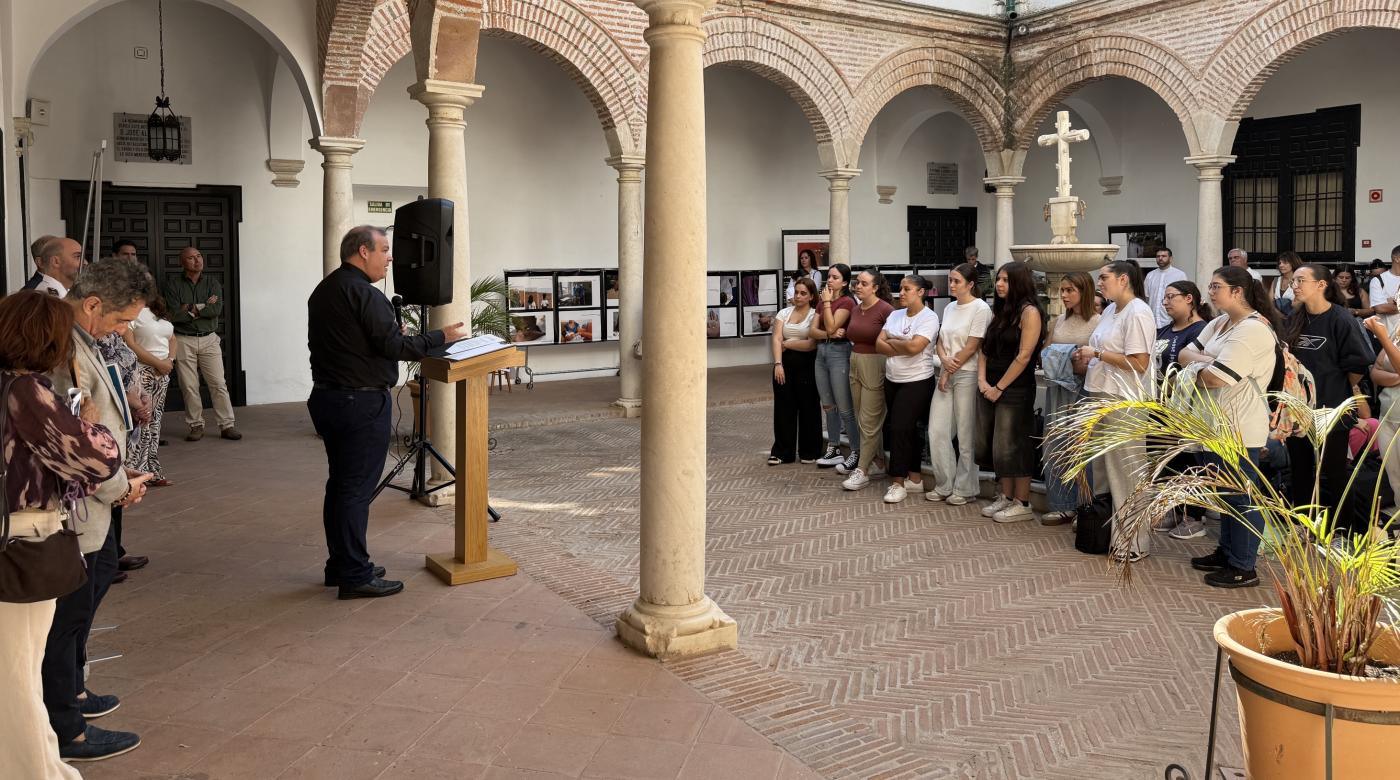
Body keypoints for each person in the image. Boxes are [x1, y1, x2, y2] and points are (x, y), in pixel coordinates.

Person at [0, 292, 124, 779]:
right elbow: (95, 458)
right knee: (17, 674)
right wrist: (90, 425)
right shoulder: (25, 391)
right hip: (21, 544)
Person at [307, 226, 468, 599]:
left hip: (330, 398)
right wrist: (440, 336)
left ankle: (341, 564)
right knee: (354, 491)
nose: (390, 257)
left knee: (342, 486)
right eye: (384, 249)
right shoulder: (363, 292)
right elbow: (395, 346)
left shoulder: (327, 288)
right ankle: (354, 573)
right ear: (363, 251)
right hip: (358, 403)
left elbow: (362, 342)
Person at [44, 256, 156, 762]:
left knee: (96, 583)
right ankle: (66, 726)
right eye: (120, 320)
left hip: (103, 492)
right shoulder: (61, 348)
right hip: (81, 504)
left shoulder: (85, 339)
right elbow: (73, 440)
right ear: (91, 304)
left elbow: (97, 419)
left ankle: (75, 692)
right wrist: (116, 486)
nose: (124, 329)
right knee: (67, 615)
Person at [1177, 266, 1279, 587]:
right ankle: (1227, 551)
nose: (1210, 292)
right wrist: (1204, 362)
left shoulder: (1253, 330)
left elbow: (1215, 379)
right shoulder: (1221, 322)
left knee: (1241, 496)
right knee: (1223, 495)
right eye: (1210, 285)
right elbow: (1183, 352)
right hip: (1212, 424)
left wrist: (1201, 363)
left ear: (1238, 292)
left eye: (1216, 286)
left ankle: (1244, 566)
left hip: (1238, 427)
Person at [1283, 263, 1375, 538]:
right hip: (1299, 408)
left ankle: (1340, 532)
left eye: (1301, 280)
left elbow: (1359, 364)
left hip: (1332, 410)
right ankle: (1303, 524)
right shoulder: (1296, 317)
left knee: (1334, 472)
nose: (1294, 285)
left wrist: (1338, 389)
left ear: (1321, 285)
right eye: (1293, 281)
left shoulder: (1341, 319)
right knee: (1299, 469)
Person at [1077, 261, 1157, 559]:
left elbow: (1139, 362)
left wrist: (1097, 353)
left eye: (1104, 278)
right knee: (1101, 469)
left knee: (1126, 470)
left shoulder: (1138, 312)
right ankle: (1106, 532)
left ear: (1124, 279)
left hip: (1125, 399)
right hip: (1100, 393)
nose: (1100, 283)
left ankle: (1135, 541)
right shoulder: (1111, 310)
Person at [977, 261, 1044, 523]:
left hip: (1015, 388)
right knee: (998, 446)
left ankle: (1022, 501)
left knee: (1016, 444)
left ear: (1019, 282)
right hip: (990, 385)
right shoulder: (1002, 311)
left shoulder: (1030, 312)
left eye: (1005, 280)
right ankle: (1005, 496)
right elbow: (985, 348)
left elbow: (1024, 355)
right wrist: (983, 381)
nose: (999, 284)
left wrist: (1000, 387)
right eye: (998, 280)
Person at [1038, 271, 1100, 525]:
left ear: (1084, 292)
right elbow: (1045, 350)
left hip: (1083, 389)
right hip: (1057, 388)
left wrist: (1075, 358)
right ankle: (1062, 503)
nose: (1063, 295)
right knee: (1055, 445)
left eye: (1069, 290)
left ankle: (1085, 507)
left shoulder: (1098, 322)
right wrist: (1064, 355)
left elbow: (1097, 358)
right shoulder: (1059, 321)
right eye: (1062, 290)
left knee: (1082, 448)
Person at [927, 263, 991, 506]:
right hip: (947, 371)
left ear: (970, 284)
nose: (951, 285)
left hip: (968, 374)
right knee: (937, 431)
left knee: (966, 436)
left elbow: (973, 345)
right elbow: (941, 340)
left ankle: (965, 488)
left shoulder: (981, 308)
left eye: (956, 281)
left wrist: (947, 371)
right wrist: (944, 361)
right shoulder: (950, 307)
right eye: (950, 280)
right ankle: (944, 483)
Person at [1152, 280, 1212, 536]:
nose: (1165, 302)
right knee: (1167, 460)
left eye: (1171, 297)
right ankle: (1172, 509)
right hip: (1160, 405)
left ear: (1189, 299)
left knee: (1191, 461)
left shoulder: (1202, 330)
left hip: (1188, 407)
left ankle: (1194, 515)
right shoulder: (1164, 330)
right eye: (1164, 298)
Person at [162, 246, 240, 441]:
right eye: (191, 258)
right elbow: (173, 314)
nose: (197, 261)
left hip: (209, 338)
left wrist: (189, 308)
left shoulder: (212, 283)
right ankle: (196, 425)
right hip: (183, 339)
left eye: (199, 256)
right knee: (189, 386)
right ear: (182, 263)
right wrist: (203, 306)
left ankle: (227, 425)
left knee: (218, 383)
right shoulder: (173, 285)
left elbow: (216, 310)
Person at [875, 275, 940, 502]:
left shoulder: (929, 317)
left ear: (920, 292)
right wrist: (899, 343)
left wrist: (892, 341)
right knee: (907, 430)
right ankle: (915, 479)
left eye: (907, 289)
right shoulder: (894, 314)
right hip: (893, 379)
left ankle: (898, 482)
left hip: (917, 381)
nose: (901, 293)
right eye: (900, 289)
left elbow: (915, 347)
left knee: (899, 428)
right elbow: (878, 343)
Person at [840, 268, 894, 490]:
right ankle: (878, 461)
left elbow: (892, 340)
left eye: (863, 283)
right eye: (857, 282)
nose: (858, 286)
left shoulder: (886, 310)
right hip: (855, 361)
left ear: (875, 287)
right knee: (862, 418)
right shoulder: (855, 308)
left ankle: (862, 470)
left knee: (870, 420)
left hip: (875, 363)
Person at [123, 293, 177, 487]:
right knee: (141, 421)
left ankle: (153, 470)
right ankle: (134, 471)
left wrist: (169, 361)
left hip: (162, 373)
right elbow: (130, 343)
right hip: (142, 370)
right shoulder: (130, 311)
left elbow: (173, 338)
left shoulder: (157, 311)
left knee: (155, 423)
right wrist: (157, 363)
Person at [810, 263, 858, 471]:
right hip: (821, 352)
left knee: (844, 406)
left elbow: (829, 325)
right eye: (828, 276)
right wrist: (829, 333)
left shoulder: (847, 302)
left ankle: (856, 450)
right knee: (828, 405)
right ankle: (834, 447)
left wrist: (828, 304)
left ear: (845, 282)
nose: (830, 280)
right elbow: (813, 331)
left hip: (839, 353)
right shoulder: (822, 303)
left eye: (835, 277)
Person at [769, 277, 822, 465]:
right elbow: (775, 338)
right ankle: (783, 452)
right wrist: (778, 364)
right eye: (796, 292)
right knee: (784, 407)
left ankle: (810, 451)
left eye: (803, 293)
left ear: (811, 296)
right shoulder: (783, 313)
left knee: (808, 407)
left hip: (807, 365)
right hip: (783, 365)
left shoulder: (815, 314)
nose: (798, 296)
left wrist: (788, 343)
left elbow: (810, 344)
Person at [1144, 246, 1187, 328]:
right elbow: (1147, 298)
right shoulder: (1150, 275)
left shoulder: (1179, 275)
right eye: (1158, 256)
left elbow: (1184, 298)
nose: (1160, 258)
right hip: (1152, 323)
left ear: (1170, 258)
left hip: (1171, 321)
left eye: (1163, 256)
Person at [1369, 245, 1400, 332]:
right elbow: (1380, 308)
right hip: (1387, 336)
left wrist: (1393, 302)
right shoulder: (1378, 280)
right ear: (1397, 259)